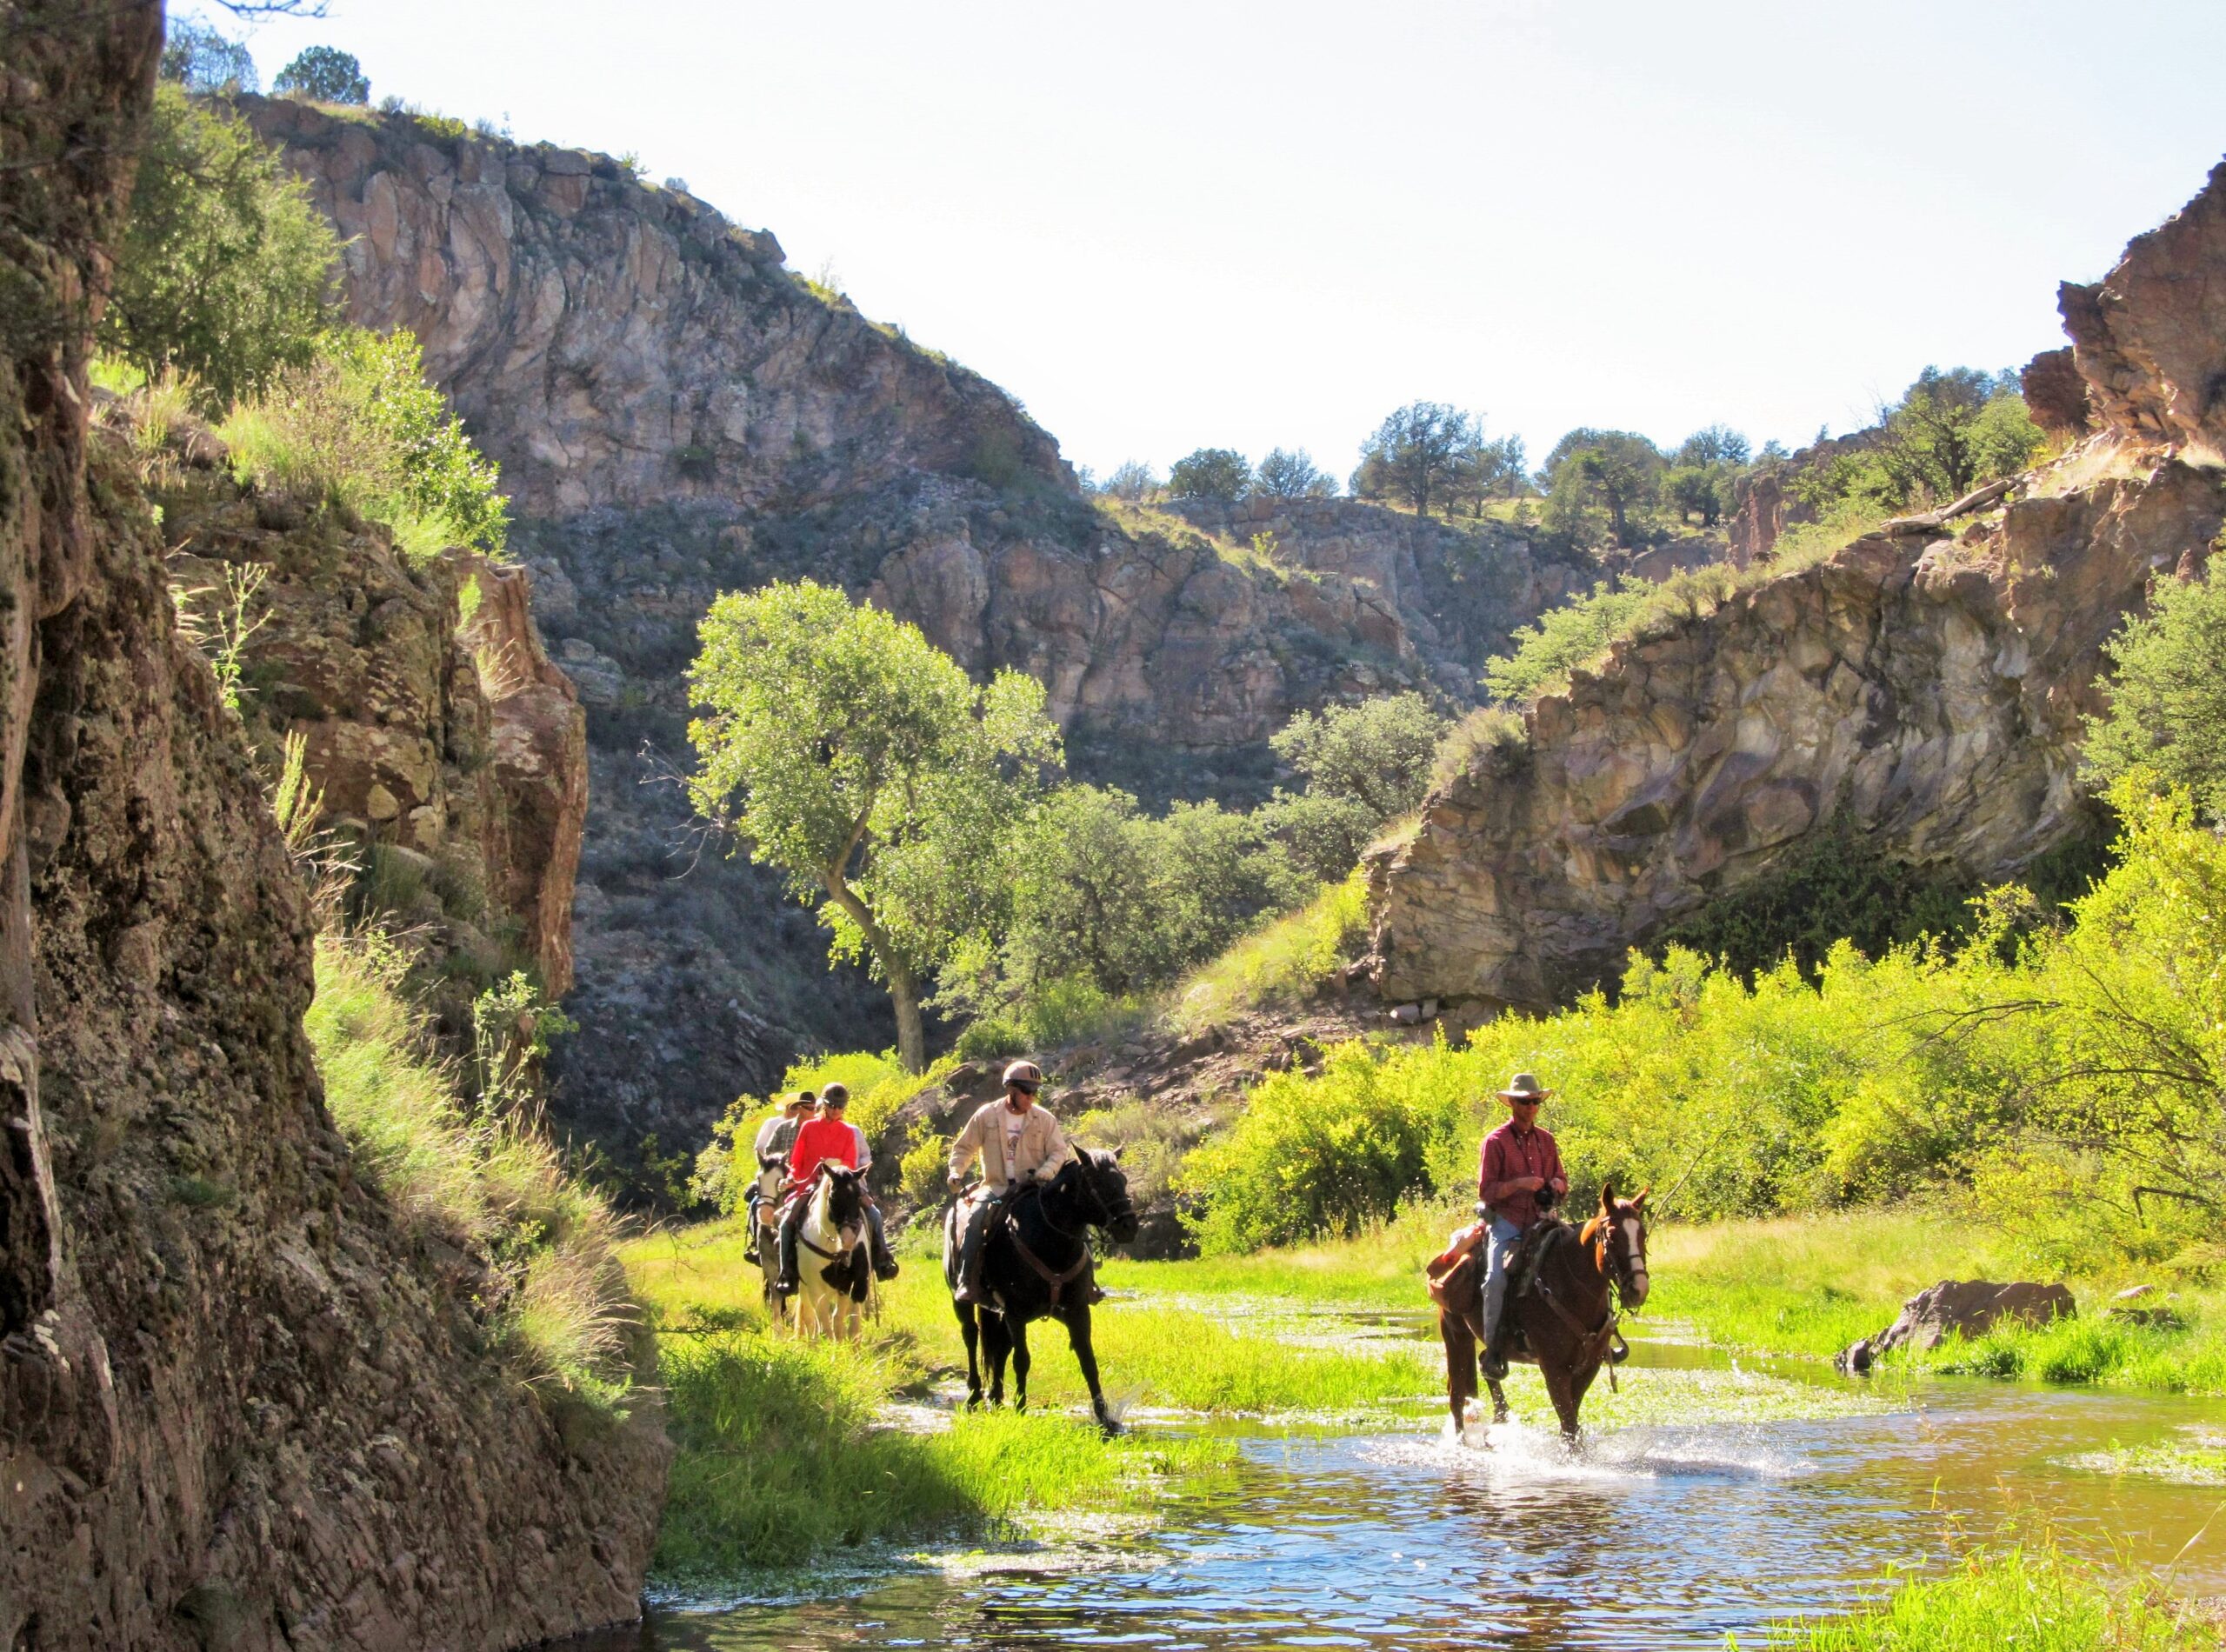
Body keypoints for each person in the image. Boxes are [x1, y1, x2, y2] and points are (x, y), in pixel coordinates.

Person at [946, 1060, 1072, 1304]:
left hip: (1033, 1188)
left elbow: (1059, 1152)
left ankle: (1087, 1282)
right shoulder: (986, 1115)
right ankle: (966, 1282)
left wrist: (1047, 1171)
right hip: (996, 1187)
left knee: (1067, 1216)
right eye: (1027, 1091)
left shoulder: (1045, 1120)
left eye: (1035, 1092)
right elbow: (963, 1149)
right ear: (1011, 1090)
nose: (1032, 1097)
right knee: (975, 1220)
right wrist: (956, 1172)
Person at [1476, 1070, 1569, 1381]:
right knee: (1495, 1280)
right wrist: (1519, 1185)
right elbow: (1486, 1191)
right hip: (1508, 1221)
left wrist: (1556, 1183)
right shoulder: (1495, 1142)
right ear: (1513, 1105)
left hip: (1543, 1219)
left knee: (1583, 1256)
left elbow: (1563, 1180)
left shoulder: (1547, 1140)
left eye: (1535, 1102)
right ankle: (1493, 1351)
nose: (1531, 1107)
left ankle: (1599, 1336)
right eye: (1525, 1102)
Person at [773, 1083, 898, 1295]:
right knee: (787, 1223)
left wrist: (837, 1168)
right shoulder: (808, 1127)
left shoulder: (847, 1132)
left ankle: (883, 1261)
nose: (836, 1111)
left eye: (840, 1107)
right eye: (832, 1106)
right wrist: (793, 1178)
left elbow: (850, 1161)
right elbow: (797, 1160)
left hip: (840, 1184)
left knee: (875, 1215)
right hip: (811, 1183)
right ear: (824, 1105)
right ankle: (787, 1273)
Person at [743, 1090, 814, 1229]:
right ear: (799, 1108)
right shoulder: (781, 1128)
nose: (812, 1112)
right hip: (779, 1175)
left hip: (804, 1177)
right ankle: (756, 1239)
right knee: (755, 1200)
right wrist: (778, 1164)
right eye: (808, 1108)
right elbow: (768, 1150)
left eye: (813, 1108)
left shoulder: (817, 1130)